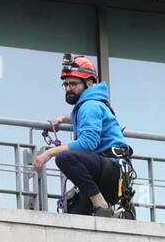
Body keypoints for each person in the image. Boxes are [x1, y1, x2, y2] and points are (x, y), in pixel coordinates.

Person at [32, 54, 133, 217]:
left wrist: (49, 153)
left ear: (90, 84)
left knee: (65, 158)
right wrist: (64, 118)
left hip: (110, 170)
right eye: (65, 84)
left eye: (73, 84)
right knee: (76, 215)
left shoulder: (89, 106)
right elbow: (86, 121)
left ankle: (101, 204)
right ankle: (115, 214)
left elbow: (88, 143)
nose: (68, 88)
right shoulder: (91, 105)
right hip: (110, 175)